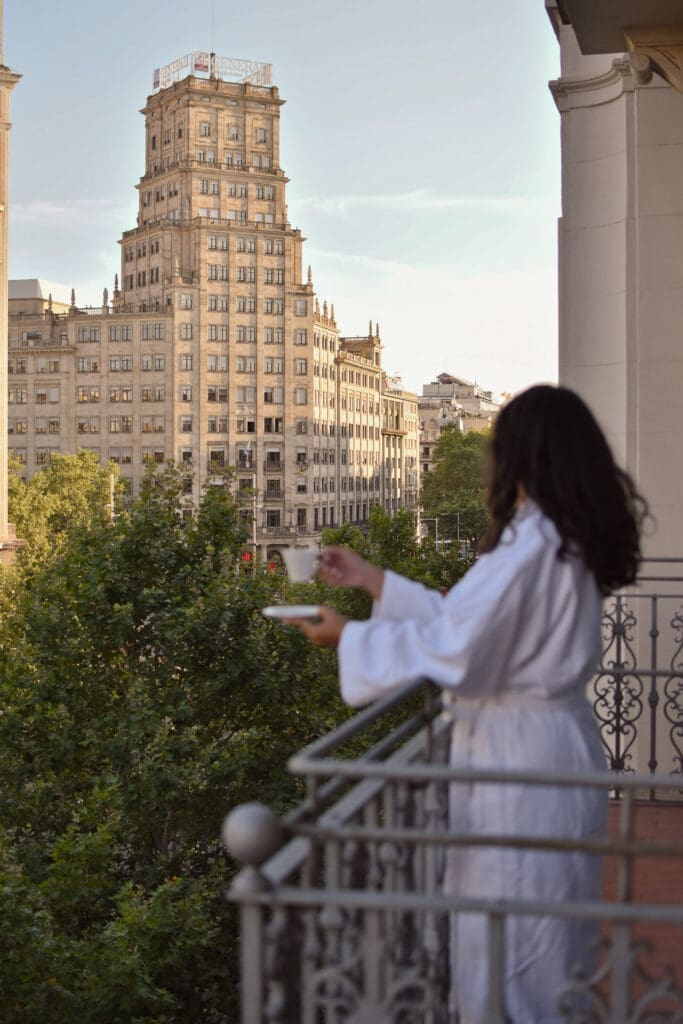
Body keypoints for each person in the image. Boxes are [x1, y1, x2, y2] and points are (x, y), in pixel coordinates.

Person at [287, 384, 646, 1024]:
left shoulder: (534, 544)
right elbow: (470, 625)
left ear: (521, 456)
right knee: (543, 939)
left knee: (517, 952)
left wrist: (350, 635)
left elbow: (459, 649)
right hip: (548, 750)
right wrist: (374, 580)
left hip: (520, 766)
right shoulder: (559, 537)